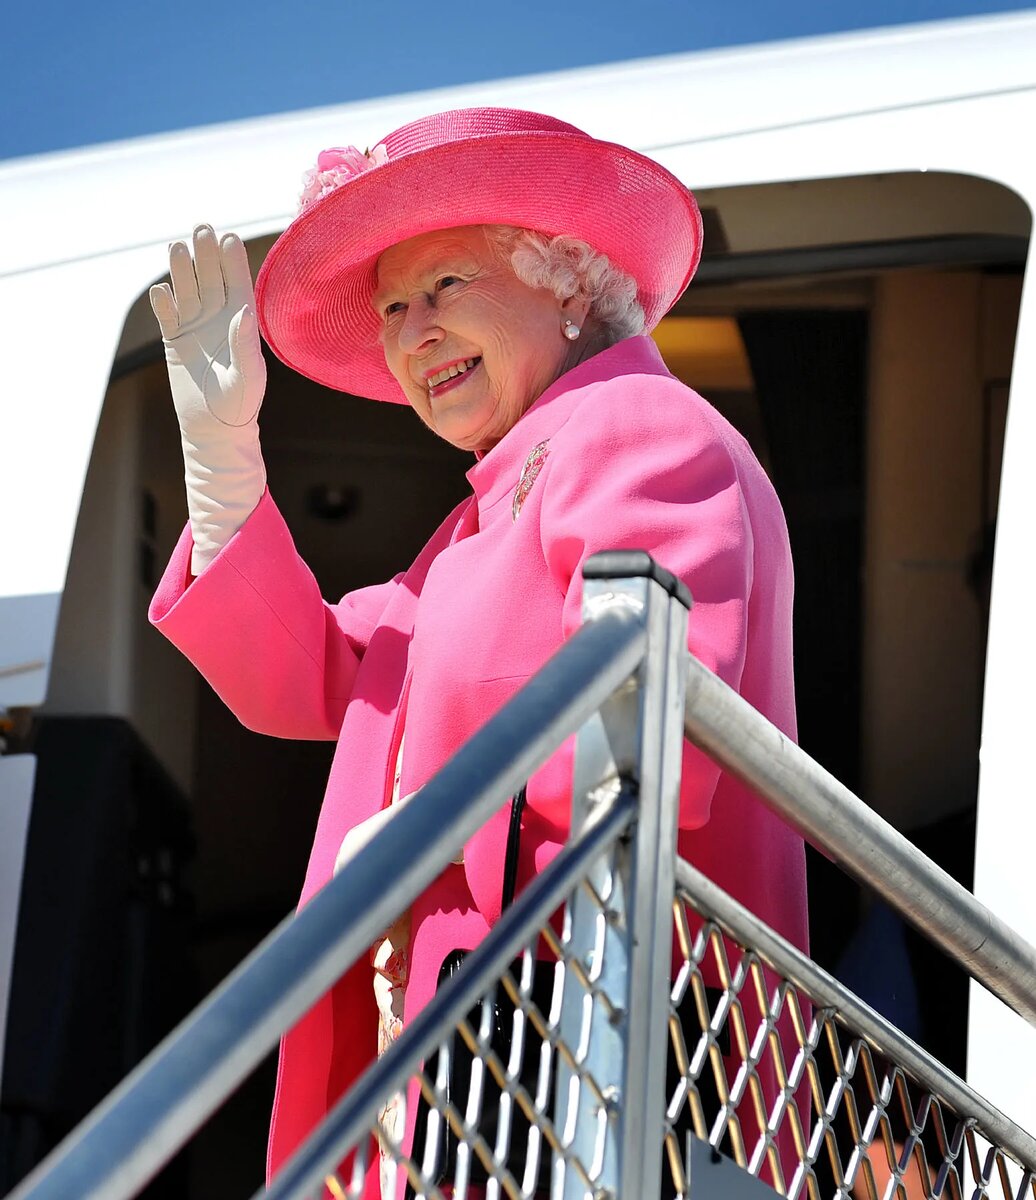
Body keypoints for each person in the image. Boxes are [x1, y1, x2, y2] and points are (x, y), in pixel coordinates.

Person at [147, 107, 807, 1198]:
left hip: (607, 1062)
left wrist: (433, 828)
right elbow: (312, 675)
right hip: (491, 1067)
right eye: (392, 309)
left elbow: (646, 738)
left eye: (445, 286)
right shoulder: (471, 529)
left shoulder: (638, 425)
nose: (412, 334)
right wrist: (222, 465)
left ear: (567, 280)